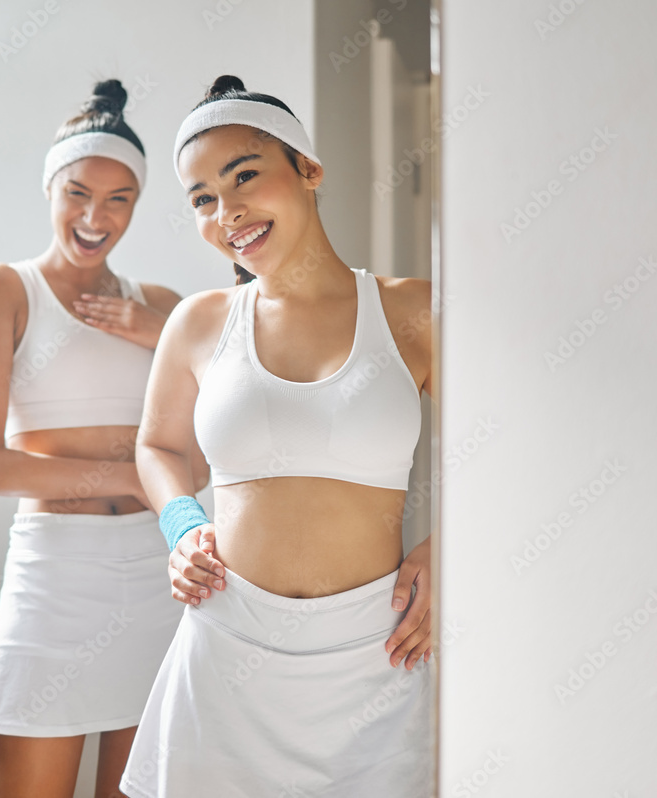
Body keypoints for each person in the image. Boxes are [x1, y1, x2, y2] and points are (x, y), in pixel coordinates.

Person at [120, 75, 435, 797]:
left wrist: (450, 552)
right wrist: (181, 522)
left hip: (378, 656)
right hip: (226, 655)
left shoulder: (414, 309)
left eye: (245, 177)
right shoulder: (199, 323)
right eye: (202, 199)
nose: (226, 212)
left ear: (309, 170)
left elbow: (509, 441)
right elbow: (159, 447)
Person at [0, 79, 207, 798]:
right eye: (77, 193)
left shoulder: (163, 307)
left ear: (137, 204)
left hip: (158, 579)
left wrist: (159, 336)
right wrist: (130, 477)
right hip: (55, 581)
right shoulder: (5, 289)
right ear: (50, 189)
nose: (96, 216)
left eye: (118, 198)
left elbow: (216, 445)